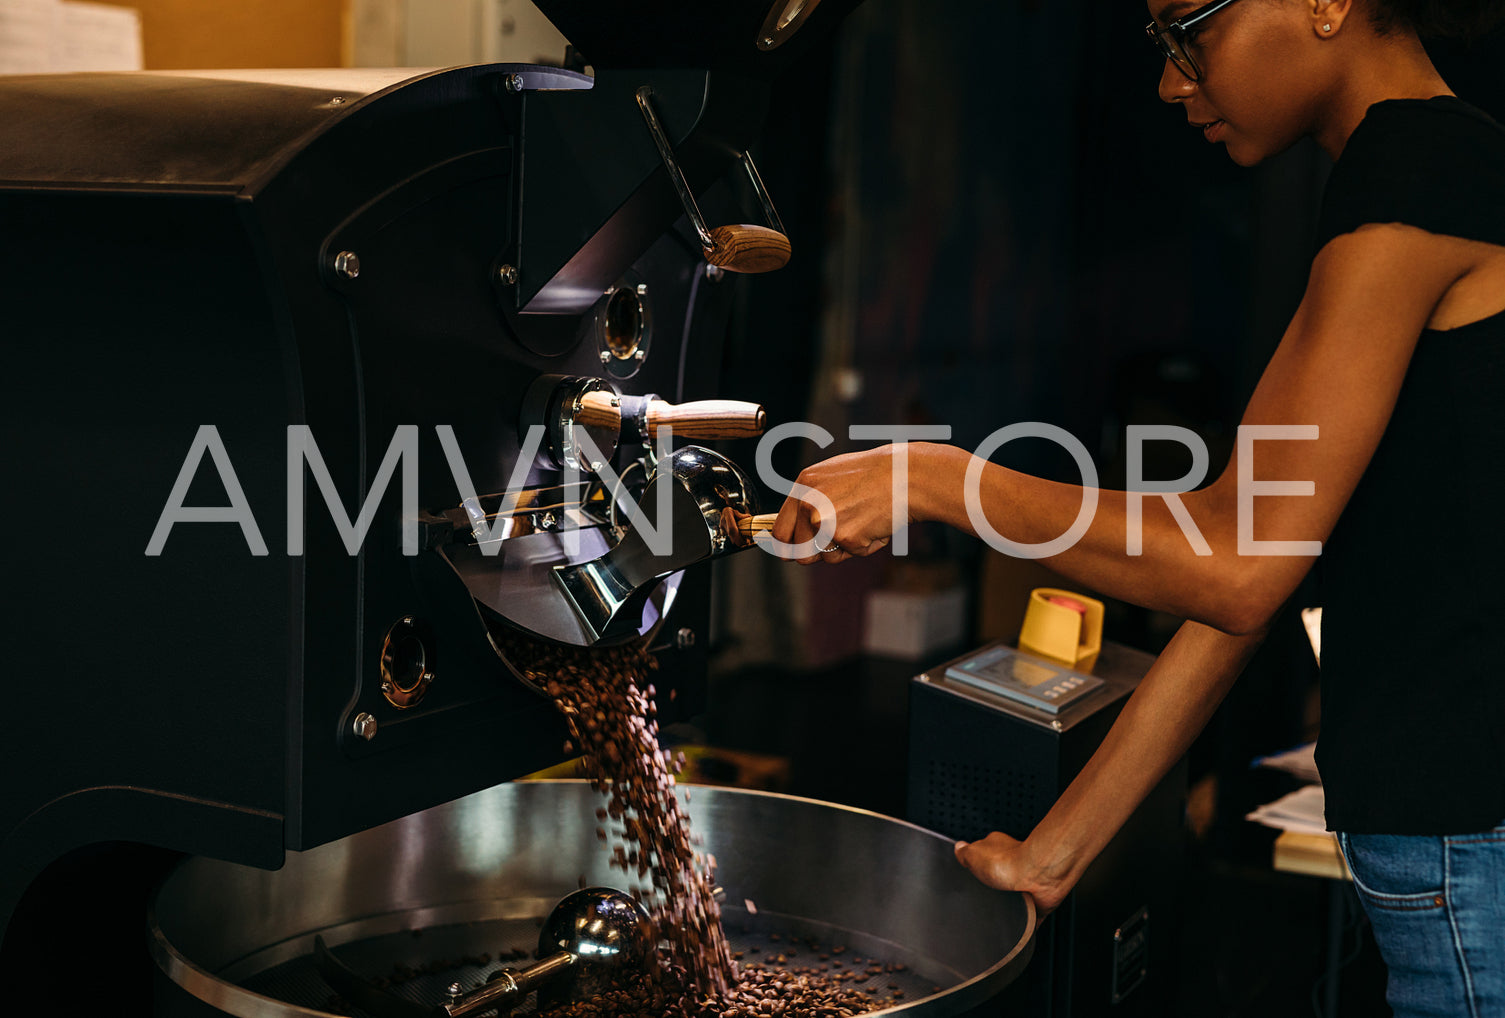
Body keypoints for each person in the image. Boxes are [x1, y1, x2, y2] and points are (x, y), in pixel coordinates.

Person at [769, 0, 1505, 1013]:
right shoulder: (1430, 174)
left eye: (1185, 31)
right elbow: (1254, 564)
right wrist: (1052, 852)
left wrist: (932, 480)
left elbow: (1233, 565)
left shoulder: (1412, 184)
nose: (1169, 80)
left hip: (1465, 843)